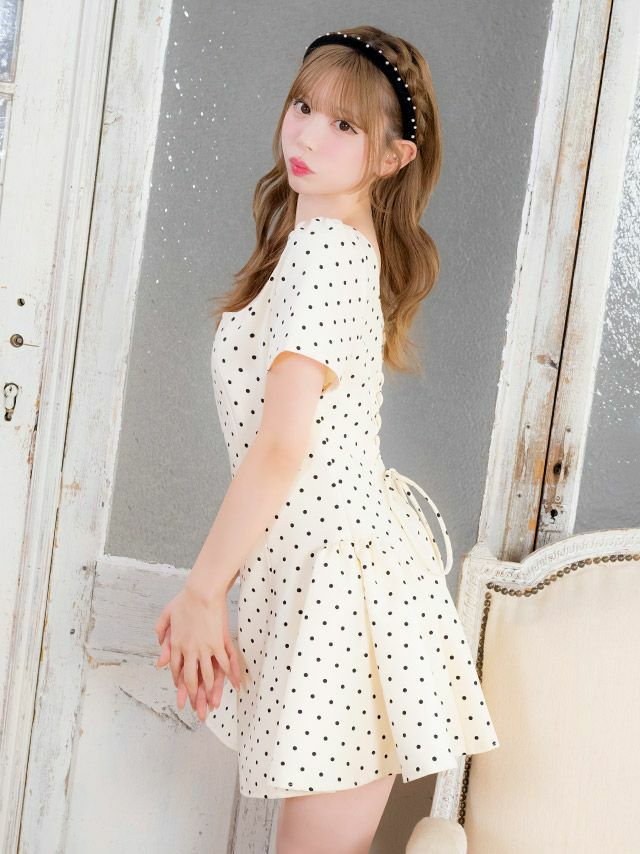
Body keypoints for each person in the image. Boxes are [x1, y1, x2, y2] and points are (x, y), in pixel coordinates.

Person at [154, 25, 500, 853]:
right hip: (333, 574)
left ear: (393, 157)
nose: (308, 135)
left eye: (345, 125)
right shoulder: (327, 245)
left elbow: (282, 448)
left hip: (342, 588)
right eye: (303, 106)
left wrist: (204, 590)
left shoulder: (324, 253)